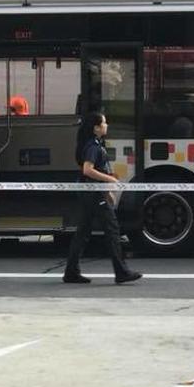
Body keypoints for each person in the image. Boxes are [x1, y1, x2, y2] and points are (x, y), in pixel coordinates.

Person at [63, 111, 142, 285]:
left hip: (91, 192)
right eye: (104, 123)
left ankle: (71, 272)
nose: (107, 126)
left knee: (83, 232)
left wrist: (108, 192)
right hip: (92, 193)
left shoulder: (96, 144)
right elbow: (88, 170)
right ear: (96, 128)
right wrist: (111, 180)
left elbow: (97, 171)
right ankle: (121, 271)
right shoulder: (93, 146)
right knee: (112, 230)